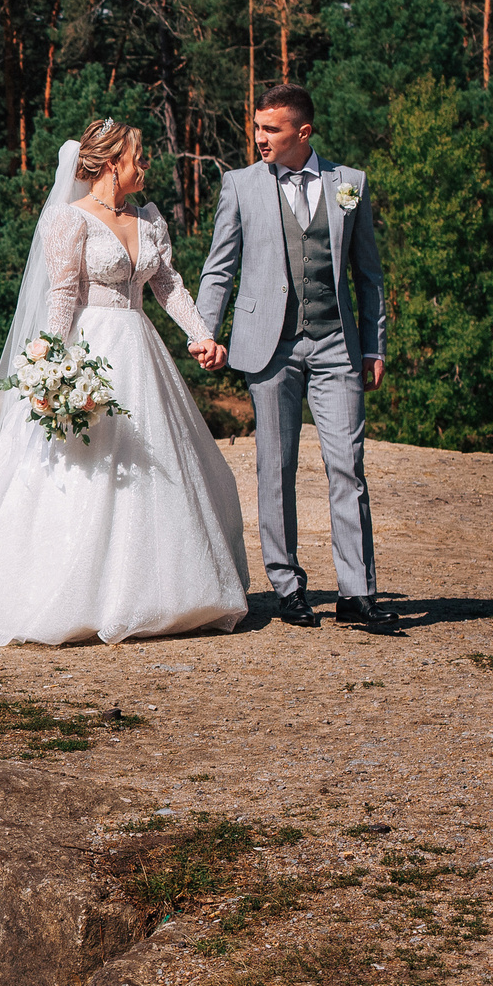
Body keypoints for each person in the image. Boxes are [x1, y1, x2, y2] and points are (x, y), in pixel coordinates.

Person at [0, 120, 250, 646]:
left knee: (160, 465)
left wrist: (202, 336)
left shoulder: (148, 219)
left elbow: (168, 284)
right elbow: (61, 299)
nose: (145, 165)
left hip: (141, 354)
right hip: (90, 353)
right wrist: (47, 369)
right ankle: (75, 590)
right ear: (108, 163)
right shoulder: (69, 220)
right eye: (137, 157)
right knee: (82, 468)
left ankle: (168, 590)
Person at [193, 82, 387, 629]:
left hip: (336, 345)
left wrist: (374, 344)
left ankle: (357, 594)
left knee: (347, 467)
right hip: (268, 346)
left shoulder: (350, 185)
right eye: (256, 127)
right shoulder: (240, 185)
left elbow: (368, 275)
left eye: (271, 129)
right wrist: (204, 333)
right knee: (275, 466)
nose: (259, 138)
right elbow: (219, 267)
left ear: (303, 133)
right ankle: (288, 586)